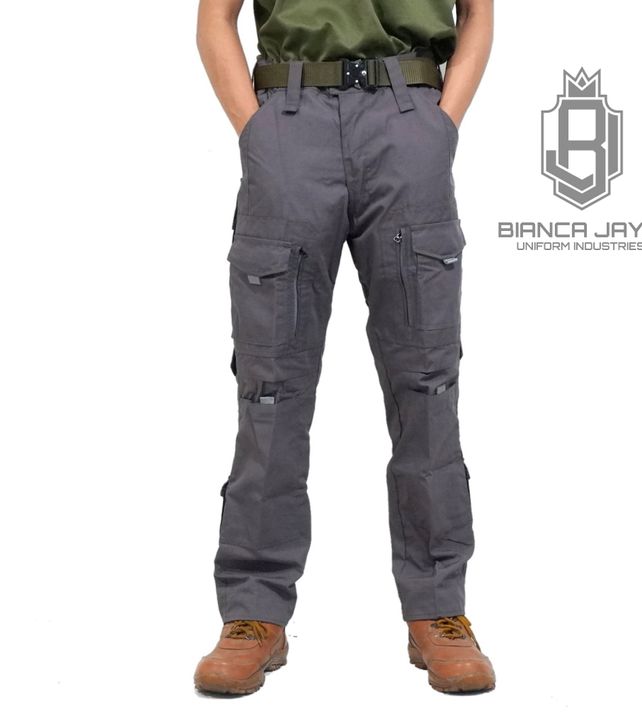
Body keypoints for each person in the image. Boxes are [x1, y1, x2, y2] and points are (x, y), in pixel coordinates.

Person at [193, 0, 495, 695]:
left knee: (426, 381)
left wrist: (440, 125)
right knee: (270, 387)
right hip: (288, 122)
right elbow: (215, 17)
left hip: (408, 120)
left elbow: (478, 13)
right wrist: (256, 131)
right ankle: (253, 612)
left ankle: (439, 609)